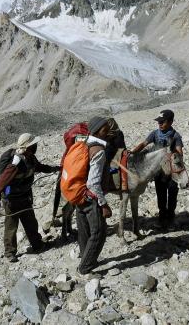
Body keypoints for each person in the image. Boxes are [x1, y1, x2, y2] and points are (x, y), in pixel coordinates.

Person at [0, 133, 60, 262]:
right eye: (34, 145)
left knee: (30, 222)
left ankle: (38, 245)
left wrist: (54, 169)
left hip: (24, 196)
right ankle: (10, 253)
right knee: (11, 226)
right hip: (11, 200)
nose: (36, 146)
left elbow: (39, 167)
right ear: (27, 147)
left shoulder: (30, 158)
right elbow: (2, 180)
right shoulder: (16, 162)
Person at [129, 109, 184, 229]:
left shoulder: (175, 136)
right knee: (161, 194)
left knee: (172, 194)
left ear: (170, 122)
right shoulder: (155, 133)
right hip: (158, 171)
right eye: (159, 121)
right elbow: (144, 144)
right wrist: (133, 152)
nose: (159, 124)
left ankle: (170, 219)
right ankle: (161, 218)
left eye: (162, 121)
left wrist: (172, 154)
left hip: (171, 171)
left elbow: (179, 152)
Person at [76, 116, 113, 275]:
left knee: (84, 231)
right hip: (91, 197)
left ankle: (86, 258)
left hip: (78, 193)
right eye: (105, 129)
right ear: (97, 130)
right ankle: (85, 267)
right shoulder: (98, 151)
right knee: (99, 232)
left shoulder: (82, 143)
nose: (108, 132)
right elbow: (93, 183)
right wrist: (104, 204)